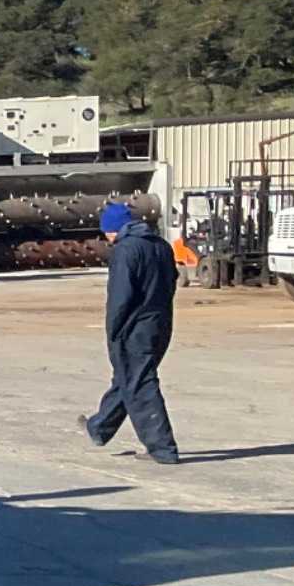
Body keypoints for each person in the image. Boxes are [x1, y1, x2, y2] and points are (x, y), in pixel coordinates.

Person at [81, 196, 181, 464]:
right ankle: (99, 427)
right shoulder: (160, 246)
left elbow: (120, 296)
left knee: (140, 383)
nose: (107, 238)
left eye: (106, 233)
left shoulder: (126, 251)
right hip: (161, 322)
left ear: (114, 229)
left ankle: (163, 448)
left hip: (134, 326)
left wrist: (113, 330)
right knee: (129, 377)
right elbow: (173, 282)